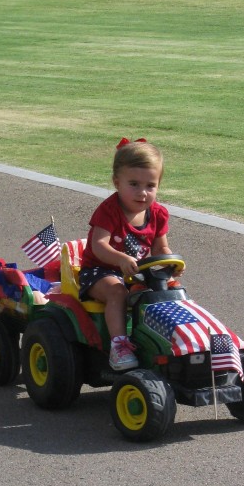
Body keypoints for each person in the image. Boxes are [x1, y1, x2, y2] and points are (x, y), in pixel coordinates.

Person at [80, 138, 173, 371]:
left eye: (150, 186)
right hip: (100, 271)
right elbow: (99, 245)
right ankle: (118, 346)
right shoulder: (109, 210)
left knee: (171, 291)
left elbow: (160, 248)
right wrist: (120, 259)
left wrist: (171, 263)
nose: (142, 193)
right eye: (134, 184)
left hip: (138, 273)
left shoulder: (158, 214)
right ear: (117, 182)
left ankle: (168, 340)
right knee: (117, 291)